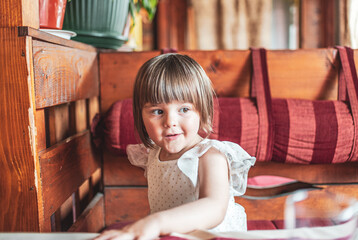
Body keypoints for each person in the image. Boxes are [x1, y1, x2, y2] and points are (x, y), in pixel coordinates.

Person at [95, 53, 256, 240]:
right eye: (157, 111)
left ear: (202, 110)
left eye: (184, 109)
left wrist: (155, 222)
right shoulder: (152, 155)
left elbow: (214, 207)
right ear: (141, 117)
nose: (170, 121)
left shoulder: (210, 156)